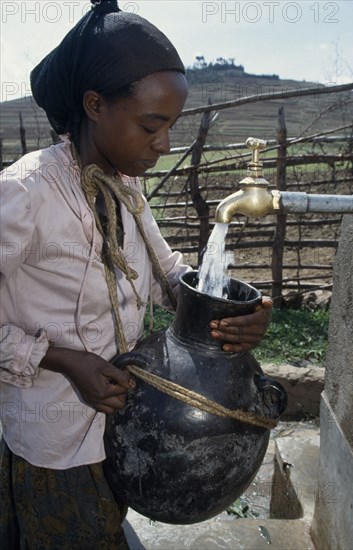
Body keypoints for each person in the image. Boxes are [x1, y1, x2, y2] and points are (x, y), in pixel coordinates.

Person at [0, 1, 273, 548]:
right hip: (52, 436)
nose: (164, 144)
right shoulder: (26, 194)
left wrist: (231, 312)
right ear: (95, 105)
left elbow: (166, 275)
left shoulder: (125, 187)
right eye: (152, 124)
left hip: (117, 423)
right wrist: (62, 359)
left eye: (171, 126)